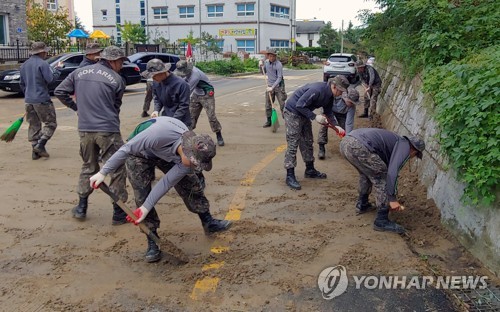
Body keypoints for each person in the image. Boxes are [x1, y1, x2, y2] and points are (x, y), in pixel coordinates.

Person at [89, 117, 232, 263]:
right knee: (142, 195)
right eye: (195, 163)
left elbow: (166, 182)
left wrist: (146, 207)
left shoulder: (189, 156)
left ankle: (208, 222)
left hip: (167, 154)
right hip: (139, 153)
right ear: (187, 153)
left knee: (191, 185)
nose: (195, 166)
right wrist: (103, 172)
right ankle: (152, 239)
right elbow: (127, 149)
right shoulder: (157, 135)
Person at [54, 46, 129, 225]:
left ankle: (81, 206)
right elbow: (116, 106)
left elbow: (60, 91)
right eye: (120, 62)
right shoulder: (117, 79)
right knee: (117, 167)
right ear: (112, 61)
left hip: (85, 129)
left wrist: (77, 108)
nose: (121, 65)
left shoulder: (78, 72)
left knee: (89, 166)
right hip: (108, 130)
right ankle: (118, 213)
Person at [339, 128, 425, 234]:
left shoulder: (396, 141)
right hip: (359, 146)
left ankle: (362, 204)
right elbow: (392, 172)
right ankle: (381, 220)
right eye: (415, 155)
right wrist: (392, 199)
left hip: (346, 142)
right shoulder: (405, 147)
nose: (412, 157)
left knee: (366, 174)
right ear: (414, 150)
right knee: (381, 177)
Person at [283, 76, 348, 190]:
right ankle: (290, 175)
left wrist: (336, 126)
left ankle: (310, 169)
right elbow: (299, 104)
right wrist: (314, 116)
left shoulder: (330, 96)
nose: (341, 94)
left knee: (308, 141)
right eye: (341, 91)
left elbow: (328, 112)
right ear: (334, 87)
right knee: (293, 143)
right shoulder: (317, 90)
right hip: (293, 112)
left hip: (304, 114)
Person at [19, 42, 61, 160]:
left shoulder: (24, 65)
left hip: (29, 100)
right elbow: (50, 79)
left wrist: (28, 94)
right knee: (51, 123)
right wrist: (57, 70)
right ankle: (40, 145)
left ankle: (34, 150)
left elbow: (22, 84)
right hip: (42, 99)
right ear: (42, 52)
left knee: (34, 124)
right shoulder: (43, 64)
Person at [174, 60, 225, 146]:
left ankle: (218, 134)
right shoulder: (186, 72)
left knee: (211, 116)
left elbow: (187, 91)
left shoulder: (195, 75)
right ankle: (187, 138)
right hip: (196, 93)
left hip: (207, 94)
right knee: (191, 117)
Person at [318, 87, 360, 160]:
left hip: (342, 115)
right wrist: (327, 119)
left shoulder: (351, 107)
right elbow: (324, 108)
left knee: (344, 131)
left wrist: (347, 137)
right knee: (324, 124)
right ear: (346, 98)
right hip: (329, 111)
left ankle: (347, 148)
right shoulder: (335, 95)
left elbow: (349, 123)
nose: (352, 104)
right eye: (351, 102)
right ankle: (321, 147)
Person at [147, 59, 191, 128]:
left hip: (181, 121)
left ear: (163, 72)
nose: (153, 78)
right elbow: (157, 98)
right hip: (166, 118)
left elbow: (184, 106)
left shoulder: (181, 84)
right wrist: (156, 110)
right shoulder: (156, 82)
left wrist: (173, 121)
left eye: (154, 75)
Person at [262, 48, 286, 127]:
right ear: (268, 56)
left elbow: (279, 78)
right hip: (269, 86)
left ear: (275, 56)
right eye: (270, 56)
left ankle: (287, 121)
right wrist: (260, 66)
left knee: (282, 104)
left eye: (273, 56)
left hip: (279, 86)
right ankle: (269, 121)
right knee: (268, 105)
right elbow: (263, 72)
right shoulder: (266, 62)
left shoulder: (278, 64)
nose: (272, 58)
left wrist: (272, 87)